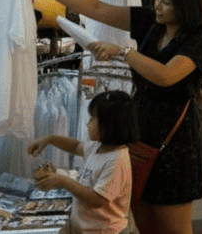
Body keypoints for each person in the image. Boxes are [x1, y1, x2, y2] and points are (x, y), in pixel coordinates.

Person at [25, 0, 202, 234]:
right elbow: (96, 8)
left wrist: (124, 53)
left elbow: (166, 75)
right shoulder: (152, 23)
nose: (158, 5)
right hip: (139, 134)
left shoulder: (200, 38)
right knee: (144, 222)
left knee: (173, 228)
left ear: (186, 6)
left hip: (175, 144)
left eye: (166, 2)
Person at [28, 91, 136, 234]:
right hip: (84, 227)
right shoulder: (98, 147)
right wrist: (49, 139)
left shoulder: (117, 161)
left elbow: (97, 200)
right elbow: (75, 146)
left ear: (109, 125)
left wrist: (64, 182)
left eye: (92, 119)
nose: (87, 123)